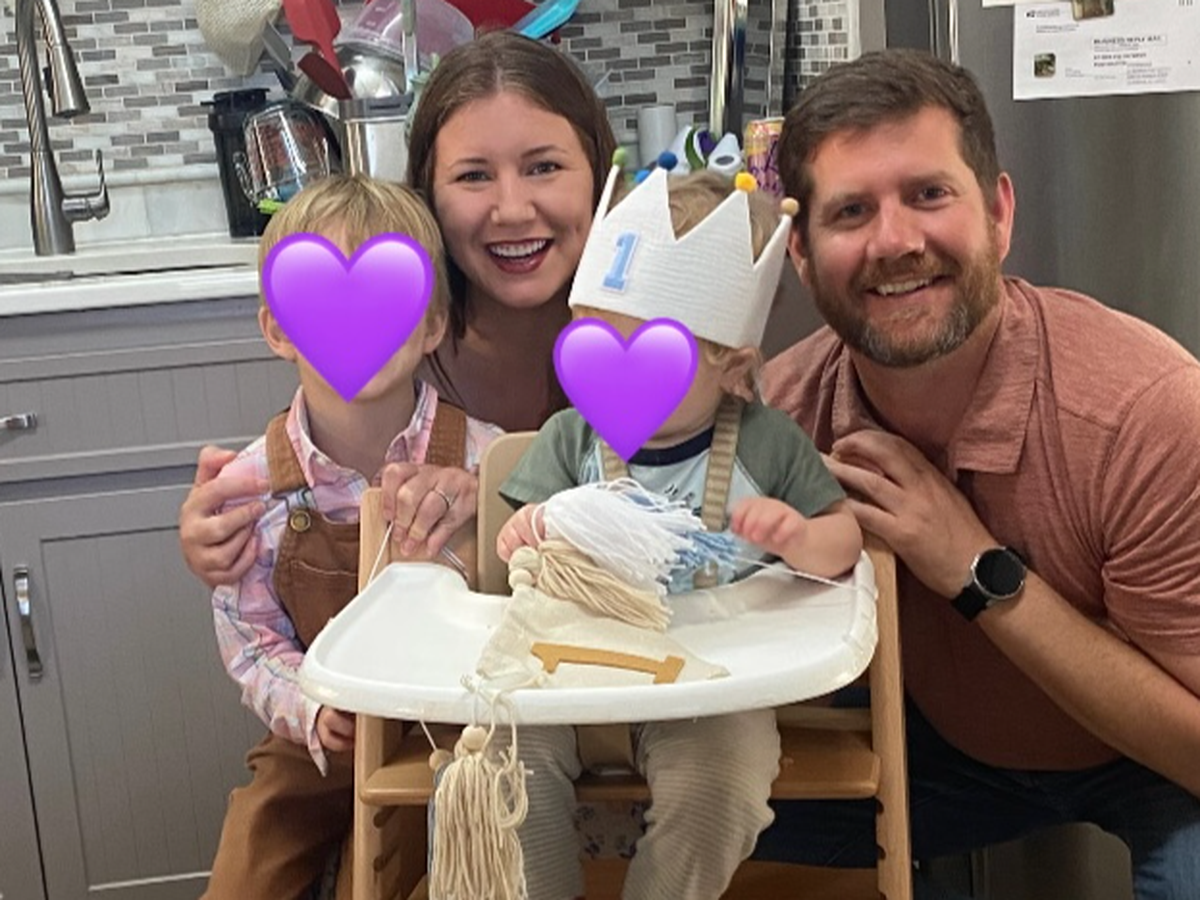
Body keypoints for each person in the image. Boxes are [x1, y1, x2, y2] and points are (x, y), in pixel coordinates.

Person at [757, 48, 1200, 898]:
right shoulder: (780, 421)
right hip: (941, 752)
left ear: (998, 215)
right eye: (851, 211)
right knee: (683, 818)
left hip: (1155, 760)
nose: (895, 242)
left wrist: (973, 568)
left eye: (929, 194)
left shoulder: (1143, 415)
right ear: (802, 255)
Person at [493, 169, 863, 900]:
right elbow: (509, 550)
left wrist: (797, 537)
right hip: (567, 671)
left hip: (711, 685)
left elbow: (845, 542)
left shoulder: (766, 443)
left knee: (723, 785)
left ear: (733, 367)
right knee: (501, 768)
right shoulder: (570, 438)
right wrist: (529, 529)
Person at [178, 30, 617, 586]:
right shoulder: (394, 347)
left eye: (544, 167)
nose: (511, 210)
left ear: (600, 174)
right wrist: (221, 538)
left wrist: (494, 503)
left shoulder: (666, 340)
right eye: (473, 175)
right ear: (427, 196)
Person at [202, 174, 502, 900]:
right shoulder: (249, 488)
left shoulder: (485, 460)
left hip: (451, 738)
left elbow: (521, 602)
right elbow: (250, 639)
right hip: (312, 748)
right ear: (279, 330)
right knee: (246, 873)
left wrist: (481, 529)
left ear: (432, 326)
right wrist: (309, 709)